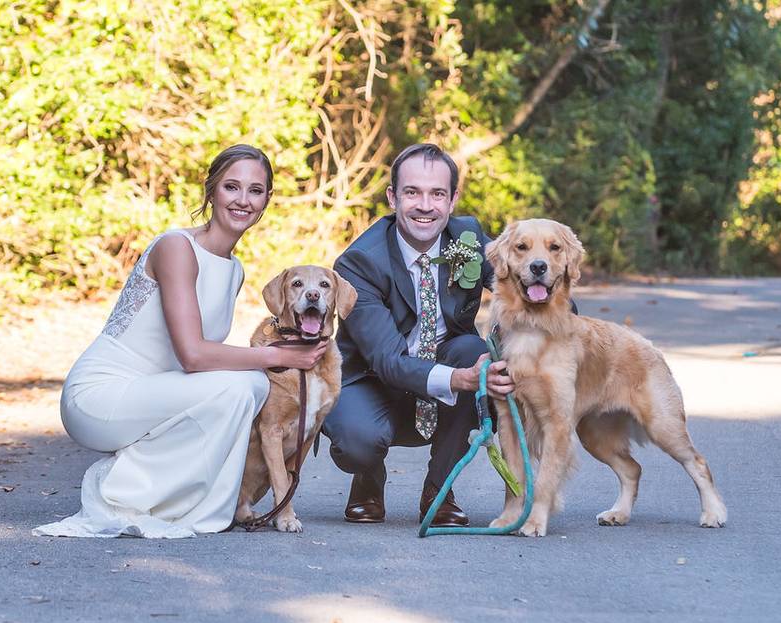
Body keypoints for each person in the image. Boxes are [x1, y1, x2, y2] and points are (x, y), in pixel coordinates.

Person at [34, 144, 327, 538]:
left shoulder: (234, 270)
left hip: (157, 393)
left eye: (255, 191)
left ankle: (188, 500)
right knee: (249, 383)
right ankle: (127, 490)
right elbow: (192, 355)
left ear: (267, 200)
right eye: (231, 187)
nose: (243, 200)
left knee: (246, 385)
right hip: (101, 395)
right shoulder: (177, 247)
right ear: (211, 191)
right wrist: (274, 355)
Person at [323, 143, 514, 527]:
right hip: (374, 381)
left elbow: (525, 286)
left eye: (437, 194)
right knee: (358, 441)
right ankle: (368, 476)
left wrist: (559, 321)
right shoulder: (359, 262)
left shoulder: (469, 237)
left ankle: (439, 492)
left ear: (452, 199)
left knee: (473, 350)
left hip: (447, 371)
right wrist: (459, 380)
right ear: (393, 197)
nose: (425, 205)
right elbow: (388, 361)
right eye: (412, 192)